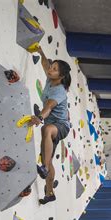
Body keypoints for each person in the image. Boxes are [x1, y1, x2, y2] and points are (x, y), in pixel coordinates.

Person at [29, 45, 71, 205]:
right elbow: (46, 64)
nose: (50, 70)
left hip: (60, 126)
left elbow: (48, 108)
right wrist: (40, 52)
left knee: (46, 129)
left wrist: (39, 117)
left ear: (60, 76)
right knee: (49, 156)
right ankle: (49, 192)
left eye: (54, 70)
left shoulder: (59, 91)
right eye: (52, 68)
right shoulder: (50, 79)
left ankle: (44, 167)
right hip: (51, 126)